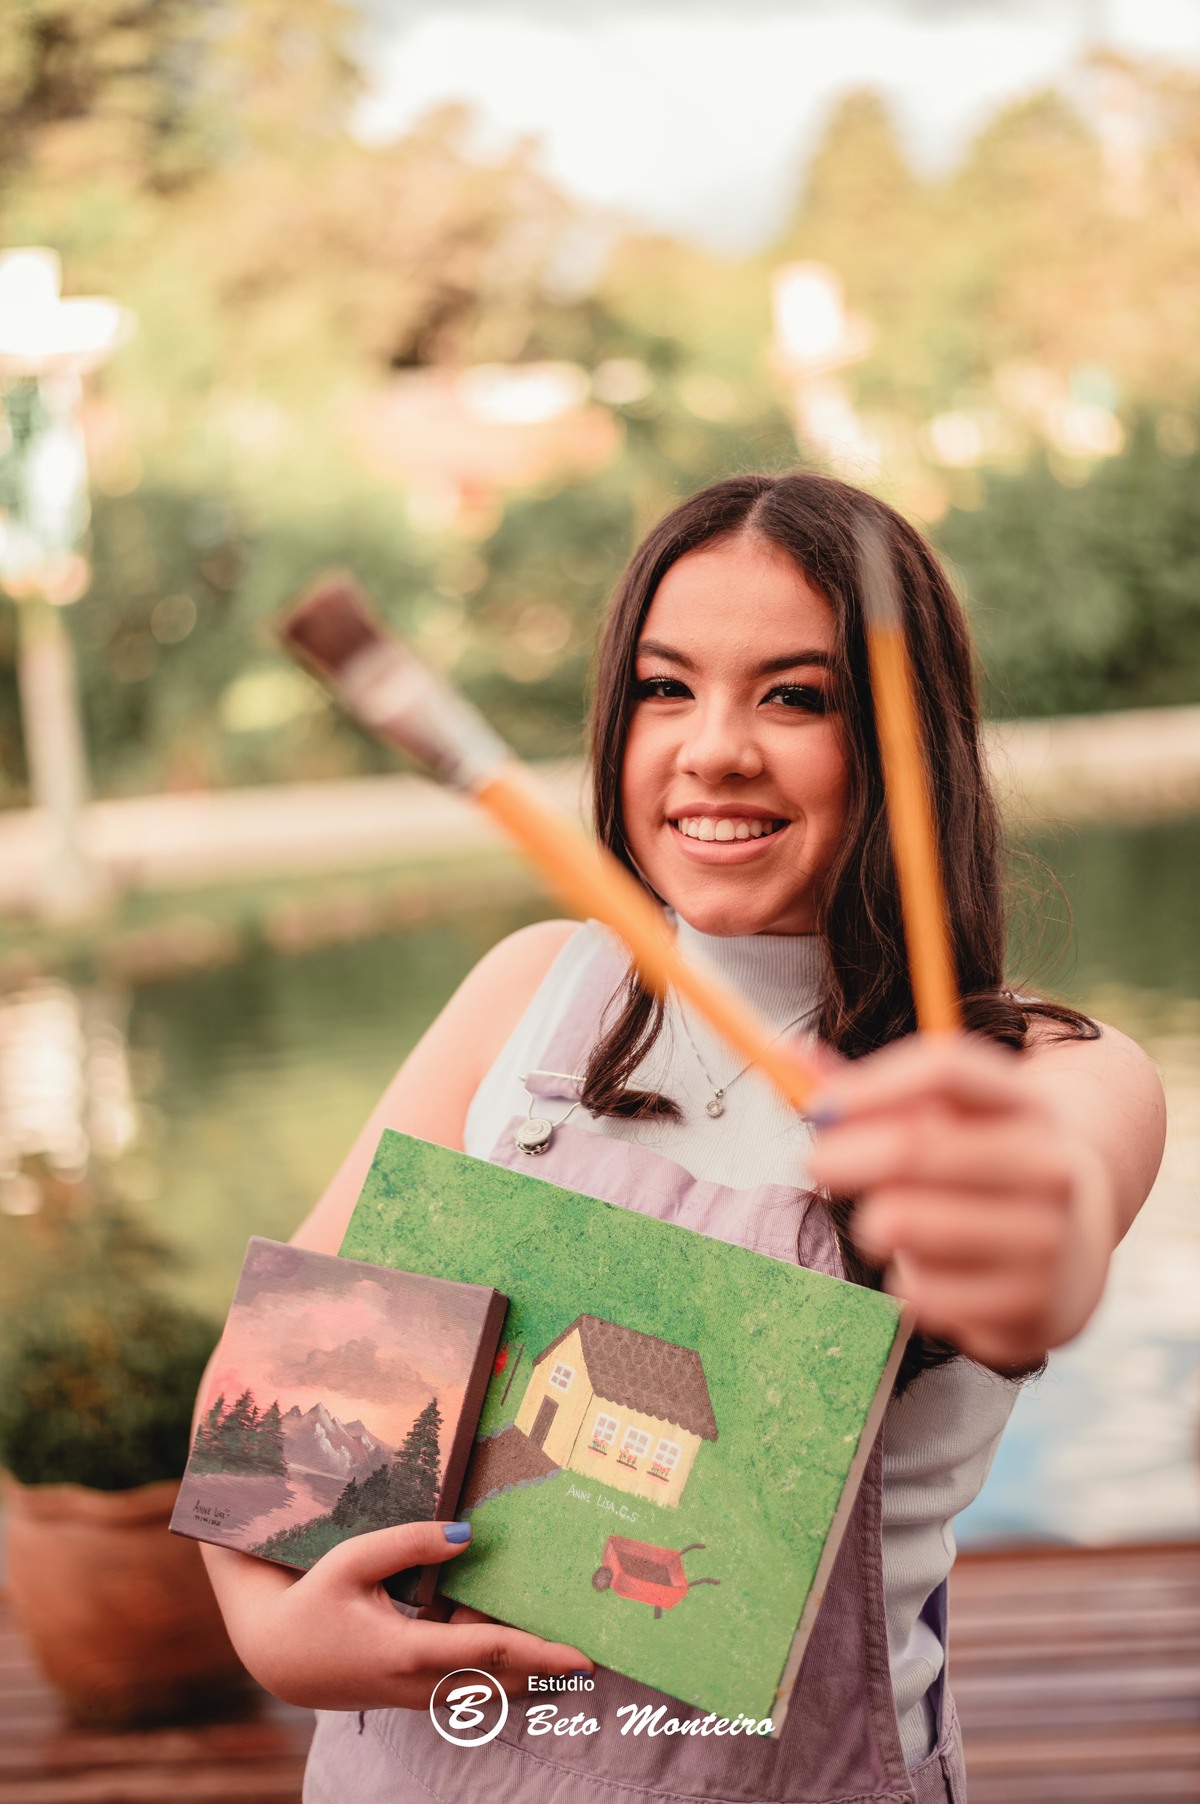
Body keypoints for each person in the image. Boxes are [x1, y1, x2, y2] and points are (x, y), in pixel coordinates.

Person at [200, 471, 1165, 1804]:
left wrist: (1019, 1244)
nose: (715, 747)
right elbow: (275, 1424)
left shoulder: (1058, 1072)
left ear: (905, 739)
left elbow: (1051, 1226)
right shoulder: (526, 994)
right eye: (667, 689)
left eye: (797, 696)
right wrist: (274, 1631)